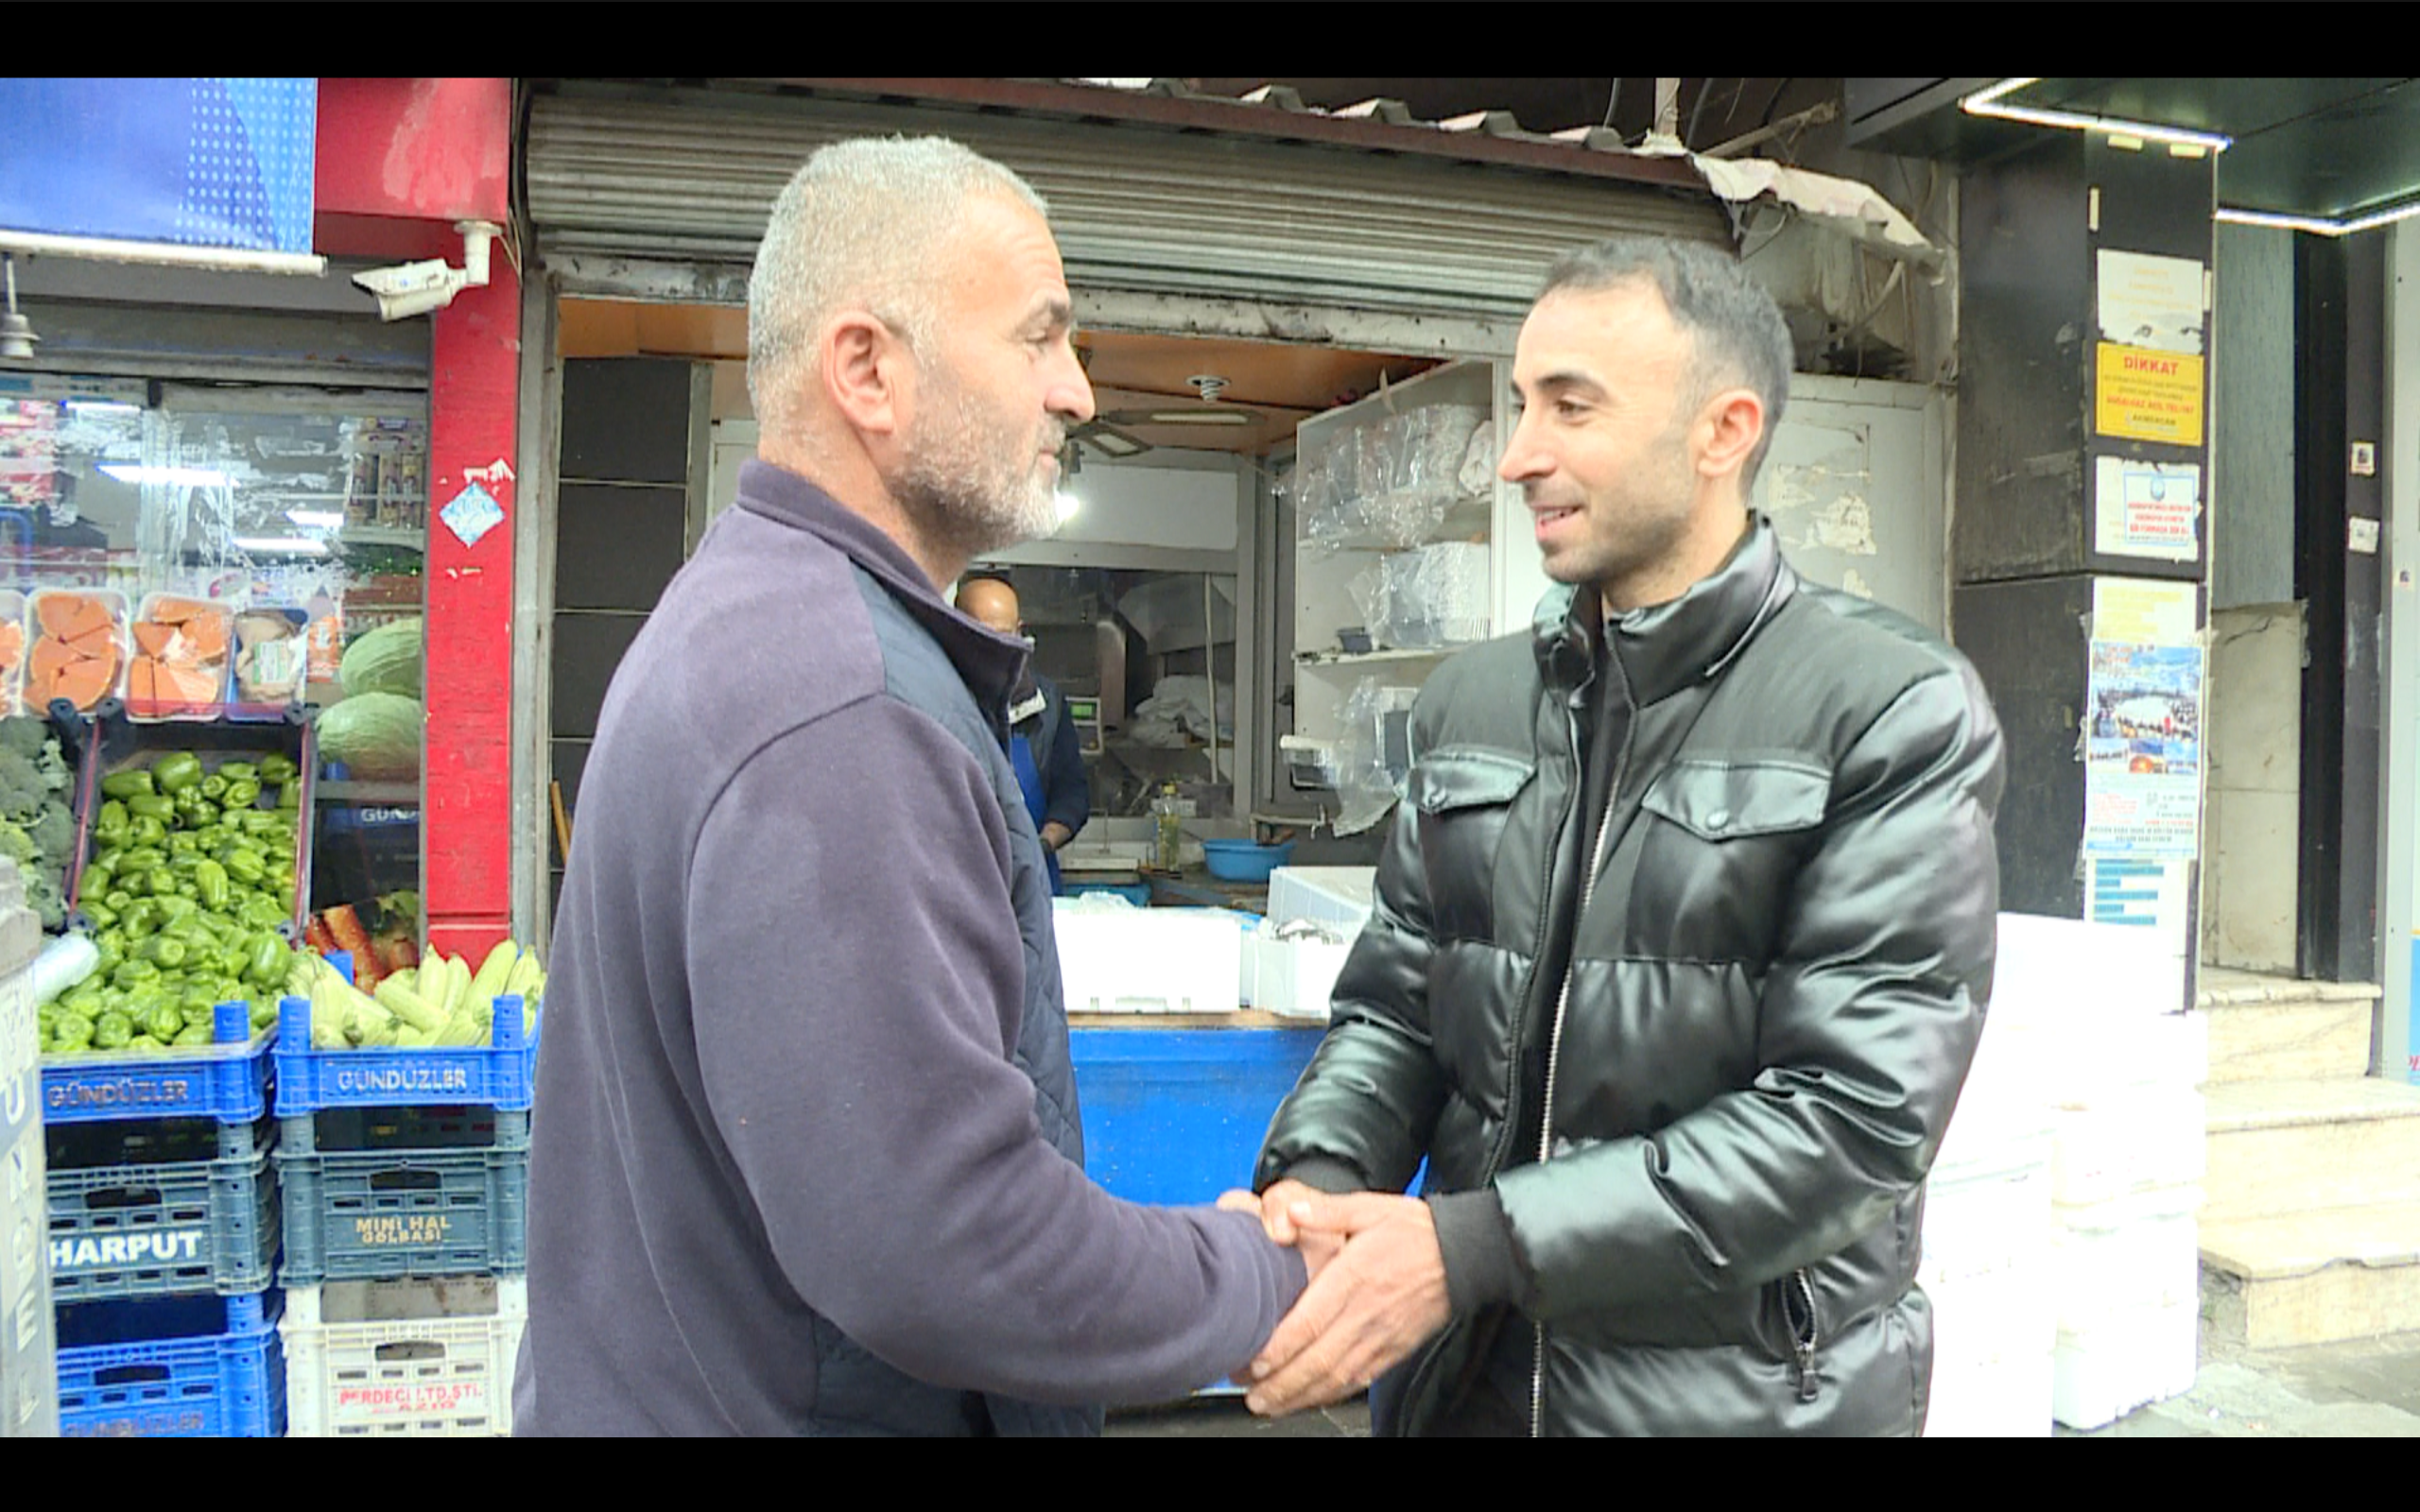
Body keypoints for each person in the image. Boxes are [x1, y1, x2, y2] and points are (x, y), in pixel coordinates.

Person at [512, 136, 1307, 1437]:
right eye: (1042, 337)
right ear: (869, 369)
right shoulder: (840, 702)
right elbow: (948, 1242)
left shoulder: (761, 615)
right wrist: (1278, 1280)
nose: (1077, 392)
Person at [1226, 235, 2006, 1436]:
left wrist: (1469, 1247)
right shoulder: (1471, 704)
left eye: (1570, 406)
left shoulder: (1885, 707)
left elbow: (1850, 1120)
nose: (1519, 454)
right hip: (1468, 1389)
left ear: (1721, 430)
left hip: (1733, 1404)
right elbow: (1394, 1012)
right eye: (1523, 400)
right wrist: (1317, 1190)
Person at [956, 576, 1090, 892]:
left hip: (1034, 883)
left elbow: (1072, 792)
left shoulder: (1047, 703)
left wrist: (1040, 845)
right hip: (960, 883)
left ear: (1020, 630)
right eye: (981, 634)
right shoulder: (938, 696)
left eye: (1004, 635)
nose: (995, 647)